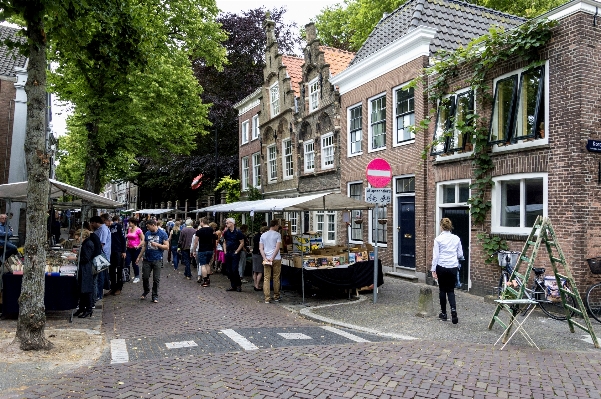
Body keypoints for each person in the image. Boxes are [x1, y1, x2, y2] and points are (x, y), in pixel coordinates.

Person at [431, 217, 464, 324]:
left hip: (441, 266)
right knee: (450, 290)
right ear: (450, 227)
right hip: (453, 267)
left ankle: (444, 314)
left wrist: (433, 269)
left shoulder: (438, 239)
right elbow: (460, 254)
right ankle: (453, 311)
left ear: (441, 227)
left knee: (442, 290)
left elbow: (435, 256)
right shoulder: (456, 238)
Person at [136, 219, 169, 303]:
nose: (147, 228)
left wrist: (157, 244)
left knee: (156, 279)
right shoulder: (147, 233)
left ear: (153, 225)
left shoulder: (162, 233)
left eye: (148, 226)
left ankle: (155, 295)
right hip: (147, 259)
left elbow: (167, 247)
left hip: (157, 259)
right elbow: (144, 246)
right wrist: (139, 257)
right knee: (145, 277)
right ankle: (146, 290)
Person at [73, 227, 101, 318]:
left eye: (77, 238)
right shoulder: (86, 243)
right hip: (84, 268)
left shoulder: (88, 244)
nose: (77, 240)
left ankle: (88, 309)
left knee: (86, 289)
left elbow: (86, 258)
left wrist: (76, 258)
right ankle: (82, 308)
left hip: (86, 269)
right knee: (82, 289)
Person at [260, 220, 282, 303]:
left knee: (266, 278)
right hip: (276, 258)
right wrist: (272, 257)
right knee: (276, 277)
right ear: (275, 225)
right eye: (277, 226)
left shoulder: (263, 235)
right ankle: (276, 296)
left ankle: (267, 298)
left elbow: (261, 248)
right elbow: (277, 248)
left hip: (266, 259)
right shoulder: (277, 235)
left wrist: (265, 258)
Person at [90, 215, 111, 302]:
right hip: (101, 255)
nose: (91, 224)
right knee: (99, 275)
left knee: (100, 276)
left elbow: (101, 243)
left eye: (92, 223)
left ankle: (99, 294)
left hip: (101, 256)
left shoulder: (103, 230)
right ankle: (98, 294)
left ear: (96, 222)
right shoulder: (100, 229)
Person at [192, 217, 217, 286]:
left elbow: (196, 242)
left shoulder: (199, 231)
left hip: (202, 249)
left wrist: (194, 250)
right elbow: (216, 237)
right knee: (207, 264)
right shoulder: (211, 229)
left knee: (202, 265)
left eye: (200, 222)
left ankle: (205, 280)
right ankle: (208, 278)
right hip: (210, 249)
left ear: (202, 222)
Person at [223, 218, 245, 292]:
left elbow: (242, 242)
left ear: (232, 223)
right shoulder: (226, 232)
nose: (226, 224)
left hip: (234, 252)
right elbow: (224, 242)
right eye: (226, 223)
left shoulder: (238, 232)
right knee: (229, 270)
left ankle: (238, 285)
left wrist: (237, 251)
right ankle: (233, 285)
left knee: (234, 269)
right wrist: (225, 251)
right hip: (228, 252)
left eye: (228, 223)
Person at [108, 215, 126, 296]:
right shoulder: (108, 227)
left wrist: (123, 251)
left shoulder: (118, 226)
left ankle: (119, 288)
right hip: (111, 251)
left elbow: (123, 238)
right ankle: (113, 287)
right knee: (111, 270)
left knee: (119, 269)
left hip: (118, 251)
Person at [124, 218, 145, 283]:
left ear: (133, 223)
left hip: (136, 249)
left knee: (135, 263)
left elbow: (143, 239)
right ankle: (127, 276)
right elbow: (128, 238)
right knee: (126, 262)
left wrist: (138, 246)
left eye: (130, 222)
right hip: (129, 248)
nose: (129, 224)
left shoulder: (139, 230)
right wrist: (126, 243)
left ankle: (137, 276)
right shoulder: (129, 229)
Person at [252, 226, 268, 291]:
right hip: (259, 254)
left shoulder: (256, 236)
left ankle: (255, 284)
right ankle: (257, 286)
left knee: (255, 270)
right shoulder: (262, 237)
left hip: (254, 253)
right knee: (260, 271)